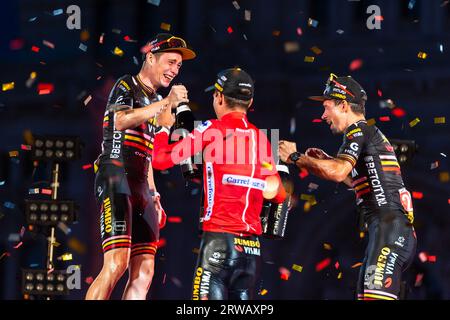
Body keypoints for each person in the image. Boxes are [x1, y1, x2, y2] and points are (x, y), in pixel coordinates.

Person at [278, 73, 417, 300]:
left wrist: (294, 157)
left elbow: (338, 172)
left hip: (389, 232)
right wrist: (323, 161)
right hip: (391, 232)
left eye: (326, 107)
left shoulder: (358, 131)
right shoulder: (368, 134)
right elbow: (357, 180)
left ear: (343, 105)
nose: (323, 115)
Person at [152, 68, 286, 300]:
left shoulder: (211, 129)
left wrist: (163, 127)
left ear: (219, 97)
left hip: (218, 243)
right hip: (252, 251)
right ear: (250, 102)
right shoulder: (263, 139)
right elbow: (279, 195)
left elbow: (160, 159)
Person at [86, 33, 196, 300]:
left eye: (179, 66)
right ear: (150, 57)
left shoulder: (156, 101)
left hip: (141, 188)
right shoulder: (127, 84)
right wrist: (165, 103)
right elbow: (121, 121)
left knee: (145, 271)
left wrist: (155, 195)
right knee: (116, 263)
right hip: (115, 178)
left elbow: (148, 154)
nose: (174, 70)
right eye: (170, 62)